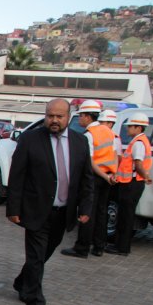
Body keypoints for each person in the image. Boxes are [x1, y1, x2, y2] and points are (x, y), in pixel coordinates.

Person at [7, 99, 94, 305]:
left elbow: (86, 178)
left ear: (69, 117)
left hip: (63, 212)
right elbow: (17, 175)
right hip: (36, 211)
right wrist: (13, 208)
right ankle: (35, 304)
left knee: (44, 254)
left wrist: (85, 208)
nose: (54, 120)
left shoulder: (80, 142)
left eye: (59, 116)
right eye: (50, 116)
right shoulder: (30, 139)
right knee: (36, 258)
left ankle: (21, 282)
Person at [61, 100, 117, 258]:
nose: (79, 119)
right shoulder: (107, 131)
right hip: (107, 177)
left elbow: (90, 162)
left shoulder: (89, 135)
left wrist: (104, 176)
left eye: (81, 115)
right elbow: (113, 155)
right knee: (101, 212)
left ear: (87, 116)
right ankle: (99, 246)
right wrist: (111, 175)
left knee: (88, 212)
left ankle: (82, 247)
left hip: (95, 177)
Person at [106, 112, 152, 256]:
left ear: (138, 128)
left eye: (130, 126)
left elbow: (138, 164)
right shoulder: (140, 141)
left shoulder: (138, 143)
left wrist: (145, 176)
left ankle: (122, 248)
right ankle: (120, 246)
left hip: (131, 184)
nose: (127, 129)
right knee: (126, 216)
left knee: (126, 217)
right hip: (131, 183)